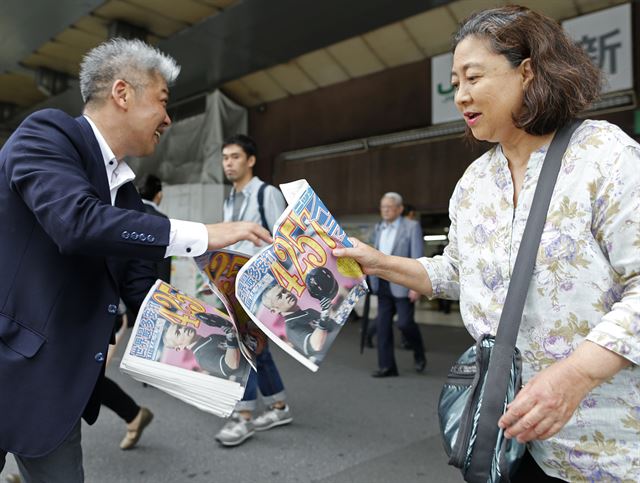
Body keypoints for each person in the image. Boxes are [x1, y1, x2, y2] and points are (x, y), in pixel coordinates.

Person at [334, 5, 639, 482]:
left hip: (605, 444)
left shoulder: (605, 155)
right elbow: (455, 271)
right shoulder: (474, 182)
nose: (460, 96)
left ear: (528, 71)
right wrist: (378, 263)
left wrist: (576, 375)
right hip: (503, 432)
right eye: (455, 83)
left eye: (472, 77)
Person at [0, 38, 270, 482]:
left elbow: (140, 290)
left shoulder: (126, 193)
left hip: (57, 390)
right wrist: (202, 235)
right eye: (163, 102)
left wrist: (234, 330)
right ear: (122, 94)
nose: (168, 118)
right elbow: (76, 223)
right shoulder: (46, 134)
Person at [214, 134, 292, 447]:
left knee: (243, 346)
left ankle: (243, 417)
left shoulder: (266, 193)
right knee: (257, 348)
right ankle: (279, 406)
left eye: (234, 157)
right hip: (232, 284)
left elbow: (282, 242)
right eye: (225, 158)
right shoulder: (230, 199)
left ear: (250, 160)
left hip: (259, 286)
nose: (228, 163)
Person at [368, 192, 426, 377]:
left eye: (389, 207)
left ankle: (419, 352)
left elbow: (417, 257)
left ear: (399, 209)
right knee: (383, 327)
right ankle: (387, 367)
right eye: (382, 207)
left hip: (403, 282)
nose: (385, 210)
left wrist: (416, 286)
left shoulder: (412, 227)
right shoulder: (379, 228)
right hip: (382, 283)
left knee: (405, 323)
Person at [137, 173, 171, 283]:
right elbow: (163, 260)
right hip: (150, 286)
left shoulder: (126, 214)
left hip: (121, 290)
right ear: (159, 195)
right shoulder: (162, 220)